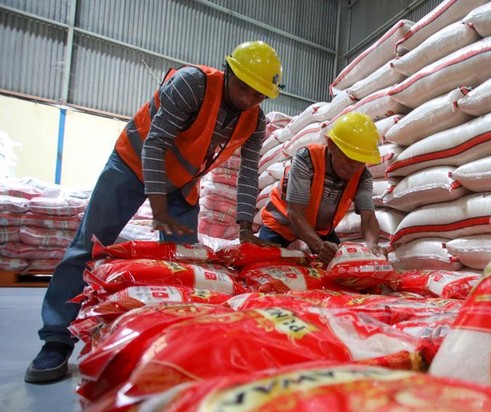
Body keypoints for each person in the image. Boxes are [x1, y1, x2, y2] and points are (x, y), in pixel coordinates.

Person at [24, 41, 282, 383]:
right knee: (88, 248)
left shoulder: (255, 120)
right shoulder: (193, 83)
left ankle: (173, 343)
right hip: (132, 164)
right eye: (244, 88)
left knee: (185, 266)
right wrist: (158, 207)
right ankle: (56, 340)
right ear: (229, 71)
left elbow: (249, 171)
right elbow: (156, 143)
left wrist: (245, 227)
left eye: (259, 95)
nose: (250, 99)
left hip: (183, 181)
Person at [259, 111, 385, 266]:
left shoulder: (362, 176)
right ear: (331, 145)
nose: (354, 167)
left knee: (341, 269)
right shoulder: (306, 159)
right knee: (262, 264)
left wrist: (372, 245)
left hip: (321, 230)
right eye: (349, 157)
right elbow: (295, 213)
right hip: (282, 224)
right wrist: (318, 246)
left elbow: (368, 217)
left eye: (361, 161)